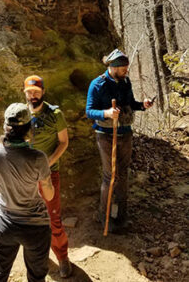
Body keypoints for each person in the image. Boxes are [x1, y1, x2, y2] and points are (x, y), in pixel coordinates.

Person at [86, 49, 154, 233]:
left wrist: (142, 105)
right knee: (110, 176)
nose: (126, 71)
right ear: (114, 67)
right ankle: (104, 215)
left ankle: (122, 216)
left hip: (125, 133)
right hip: (106, 134)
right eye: (124, 68)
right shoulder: (97, 84)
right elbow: (89, 111)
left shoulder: (125, 81)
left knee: (123, 174)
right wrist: (106, 113)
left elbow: (130, 103)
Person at [0, 102, 54, 282]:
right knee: (36, 277)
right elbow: (49, 195)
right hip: (35, 227)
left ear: (5, 126)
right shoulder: (38, 158)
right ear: (29, 128)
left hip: (5, 223)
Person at [23, 75, 72, 278]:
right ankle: (38, 257)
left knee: (53, 218)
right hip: (25, 176)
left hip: (48, 174)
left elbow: (63, 142)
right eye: (29, 92)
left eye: (37, 91)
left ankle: (62, 257)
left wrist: (48, 163)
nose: (33, 95)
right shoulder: (19, 113)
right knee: (28, 219)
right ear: (24, 93)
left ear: (43, 92)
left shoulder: (55, 114)